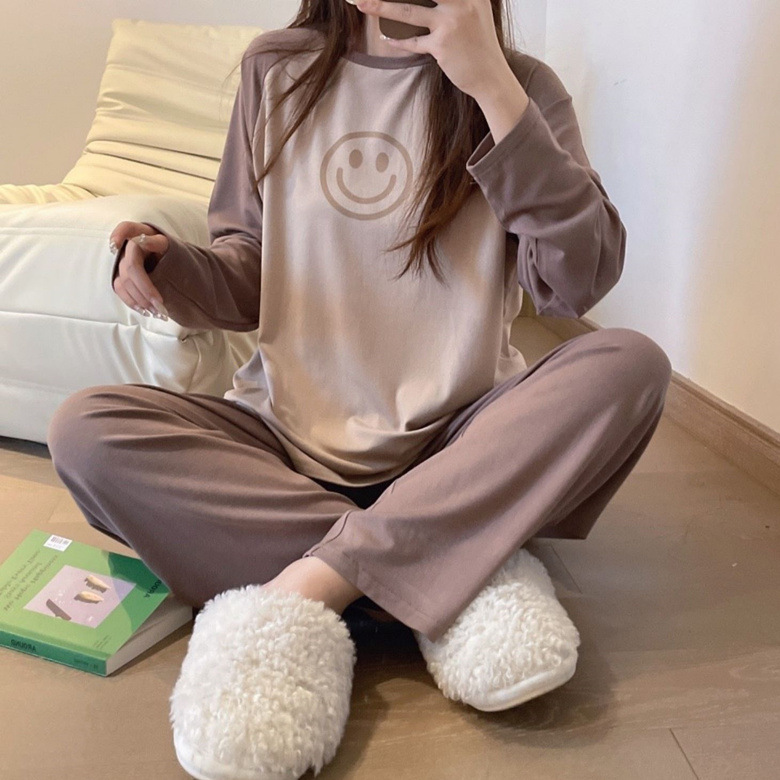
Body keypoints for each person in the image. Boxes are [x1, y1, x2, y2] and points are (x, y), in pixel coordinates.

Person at [47, 1, 672, 778]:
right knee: (87, 430)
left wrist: (490, 86)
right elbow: (249, 271)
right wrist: (172, 268)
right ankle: (451, 560)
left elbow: (578, 282)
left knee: (629, 366)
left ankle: (313, 584)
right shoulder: (275, 69)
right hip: (285, 441)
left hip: (457, 446)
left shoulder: (522, 86)